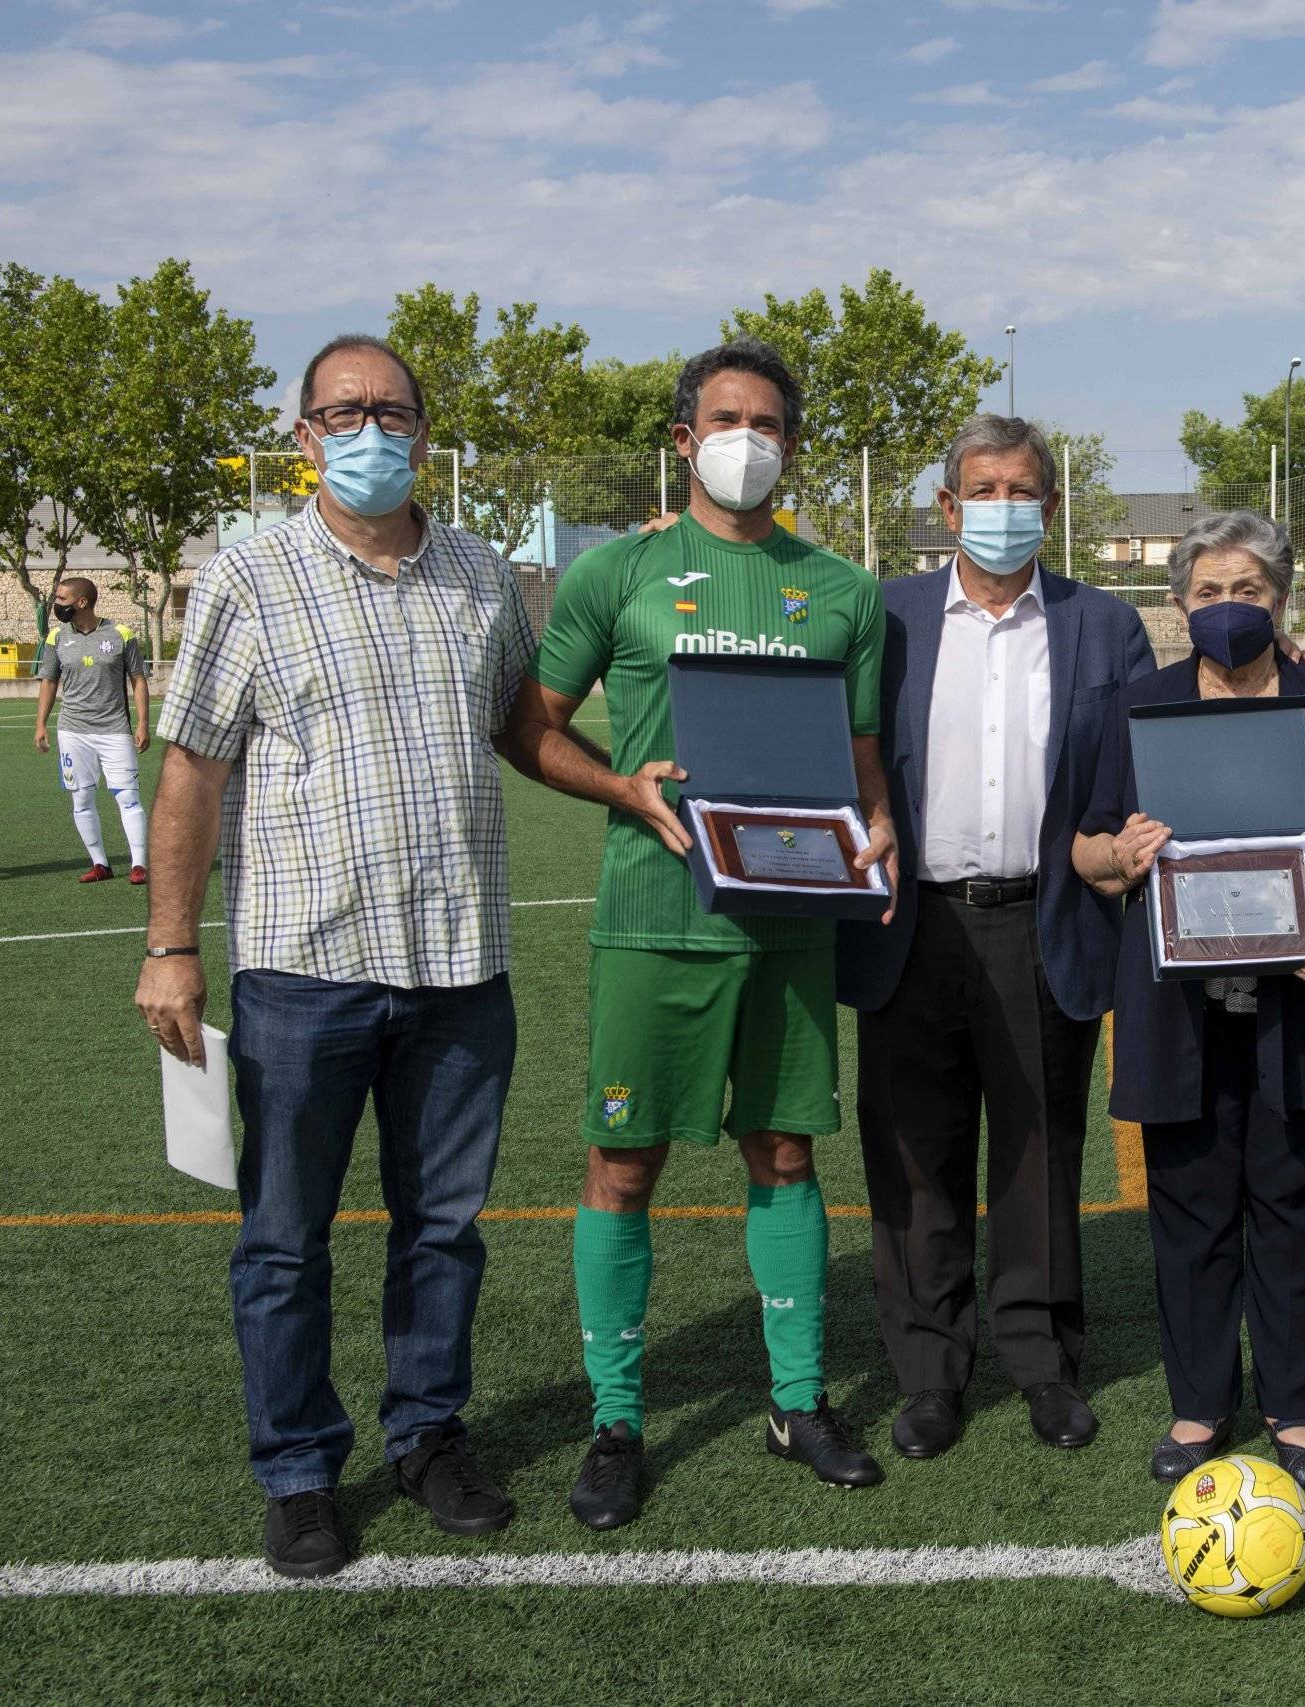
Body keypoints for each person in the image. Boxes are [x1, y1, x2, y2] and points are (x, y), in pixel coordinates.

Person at [135, 335, 535, 1579]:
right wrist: (169, 947)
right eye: (343, 411)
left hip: (461, 964)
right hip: (305, 967)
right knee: (282, 1238)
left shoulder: (482, 573)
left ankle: (426, 1437)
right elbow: (193, 764)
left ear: (427, 430)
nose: (371, 430)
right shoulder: (250, 576)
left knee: (443, 1230)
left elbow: (524, 726)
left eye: (392, 410)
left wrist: (640, 780)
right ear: (302, 436)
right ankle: (301, 1470)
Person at [503, 337, 896, 1529]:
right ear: (682, 440)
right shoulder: (614, 575)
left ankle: (795, 1401)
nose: (748, 441)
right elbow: (532, 730)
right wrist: (624, 789)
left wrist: (876, 826)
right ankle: (615, 1419)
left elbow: (864, 763)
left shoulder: (841, 589)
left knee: (785, 1153)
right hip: (653, 919)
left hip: (788, 916)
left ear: (791, 444)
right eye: (727, 420)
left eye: (769, 423)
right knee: (625, 1163)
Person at [836, 414, 1155, 1461]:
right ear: (945, 507)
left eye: (1023, 490)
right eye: (982, 489)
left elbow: (1144, 761)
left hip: (1045, 919)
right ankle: (930, 1370)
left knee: (1038, 1152)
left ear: (1051, 506)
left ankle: (1041, 1361)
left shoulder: (1105, 627)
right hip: (912, 921)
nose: (1002, 508)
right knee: (915, 1159)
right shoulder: (883, 618)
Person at [1073, 509, 1305, 1496]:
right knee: (1190, 1214)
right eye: (1210, 591)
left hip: (1301, 1004)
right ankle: (1199, 1404)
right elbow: (1087, 850)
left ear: (1282, 597)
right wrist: (1118, 856)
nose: (1229, 608)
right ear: (1179, 603)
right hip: (1176, 1008)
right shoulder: (1136, 707)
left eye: (1249, 590)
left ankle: (1295, 1412)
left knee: (1297, 1209)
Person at [32, 576, 152, 883]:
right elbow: (49, 682)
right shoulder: (56, 638)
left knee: (128, 797)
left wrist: (141, 723)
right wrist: (40, 724)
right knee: (81, 798)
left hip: (114, 730)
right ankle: (100, 864)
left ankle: (139, 864)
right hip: (73, 732)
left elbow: (138, 679)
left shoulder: (121, 634)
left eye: (61, 599)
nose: (56, 605)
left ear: (81, 602)